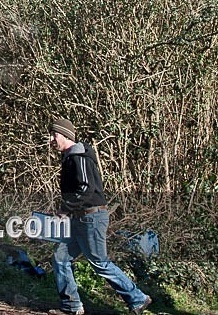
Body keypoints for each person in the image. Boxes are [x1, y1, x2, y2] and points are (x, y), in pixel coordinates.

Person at [47, 118, 152, 315]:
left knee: (100, 263)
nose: (51, 139)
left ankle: (137, 298)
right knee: (60, 257)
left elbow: (86, 189)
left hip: (91, 218)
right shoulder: (70, 157)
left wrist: (64, 209)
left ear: (66, 135)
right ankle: (71, 306)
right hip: (79, 218)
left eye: (54, 134)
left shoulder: (79, 157)